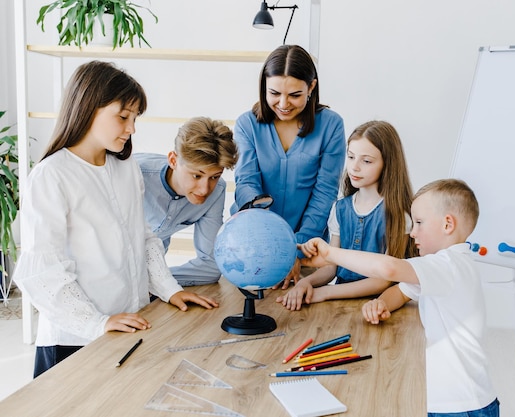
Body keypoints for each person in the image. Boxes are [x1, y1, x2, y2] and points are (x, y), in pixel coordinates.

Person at [12, 61, 218, 378]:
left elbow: (144, 239)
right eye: (123, 117)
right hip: (74, 340)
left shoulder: (126, 167)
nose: (132, 128)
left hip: (129, 325)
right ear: (88, 108)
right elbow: (42, 272)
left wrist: (169, 289)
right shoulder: (51, 176)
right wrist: (97, 323)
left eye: (135, 118)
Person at [299, 179, 499, 416]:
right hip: (450, 400)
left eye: (419, 223)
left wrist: (331, 254)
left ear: (447, 224)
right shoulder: (440, 269)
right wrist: (381, 303)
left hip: (461, 405)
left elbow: (389, 269)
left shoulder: (449, 265)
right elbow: (402, 291)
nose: (412, 232)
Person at [230, 44, 346, 288]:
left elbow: (324, 193)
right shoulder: (246, 125)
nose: (283, 104)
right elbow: (247, 185)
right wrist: (276, 249)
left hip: (306, 249)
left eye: (294, 95)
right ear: (264, 87)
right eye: (274, 93)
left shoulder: (331, 126)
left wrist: (294, 249)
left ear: (311, 87)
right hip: (254, 245)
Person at [276, 120, 416, 310]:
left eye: (366, 161)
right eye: (350, 157)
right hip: (338, 305)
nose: (354, 167)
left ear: (388, 164)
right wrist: (304, 283)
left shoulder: (399, 216)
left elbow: (383, 280)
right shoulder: (340, 208)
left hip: (379, 306)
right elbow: (330, 266)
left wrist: (325, 292)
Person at [134, 117, 238, 286]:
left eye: (214, 177)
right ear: (173, 160)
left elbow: (211, 266)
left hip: (143, 286)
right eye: (196, 175)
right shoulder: (134, 173)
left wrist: (159, 283)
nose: (205, 189)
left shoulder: (217, 191)